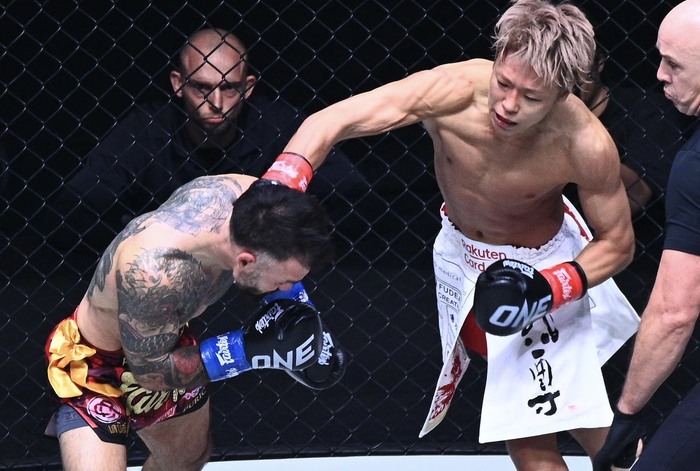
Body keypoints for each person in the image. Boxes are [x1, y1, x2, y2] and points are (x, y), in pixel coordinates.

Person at [258, 0, 641, 468]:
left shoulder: (584, 143)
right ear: (498, 58)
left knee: (566, 430)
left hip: (542, 268)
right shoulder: (453, 91)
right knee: (531, 429)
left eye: (531, 97)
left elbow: (618, 243)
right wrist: (278, 185)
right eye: (504, 82)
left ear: (563, 93)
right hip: (465, 264)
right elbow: (331, 121)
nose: (508, 105)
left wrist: (547, 288)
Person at [43, 174, 346, 470]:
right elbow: (149, 374)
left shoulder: (253, 199)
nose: (285, 289)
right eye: (284, 282)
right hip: (95, 366)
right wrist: (247, 350)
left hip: (164, 343)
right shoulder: (157, 272)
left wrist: (298, 309)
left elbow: (309, 143)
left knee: (185, 462)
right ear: (245, 261)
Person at [47, 27, 367, 255]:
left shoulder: (277, 124)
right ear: (178, 84)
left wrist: (283, 235)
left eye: (229, 87)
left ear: (248, 87)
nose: (216, 102)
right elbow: (74, 205)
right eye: (201, 87)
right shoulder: (145, 129)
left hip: (260, 266)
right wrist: (136, 242)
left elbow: (353, 193)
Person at [592, 1, 700, 469]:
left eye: (674, 64)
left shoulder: (695, 167)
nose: (659, 75)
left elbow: (675, 311)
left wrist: (627, 414)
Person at [573, 46, 687, 313]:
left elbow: (638, 194)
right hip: (560, 255)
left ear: (598, 63)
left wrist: (576, 137)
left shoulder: (646, 110)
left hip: (635, 268)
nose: (567, 82)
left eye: (576, 70)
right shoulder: (536, 116)